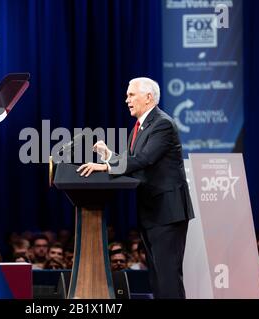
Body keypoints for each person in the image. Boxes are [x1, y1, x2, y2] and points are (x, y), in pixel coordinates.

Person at [77, 77, 194, 298]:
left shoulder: (162, 124)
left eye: (131, 95)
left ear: (148, 97)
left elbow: (144, 159)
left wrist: (104, 167)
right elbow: (132, 159)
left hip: (168, 213)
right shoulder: (140, 126)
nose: (126, 99)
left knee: (168, 278)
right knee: (157, 278)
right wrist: (109, 156)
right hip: (152, 213)